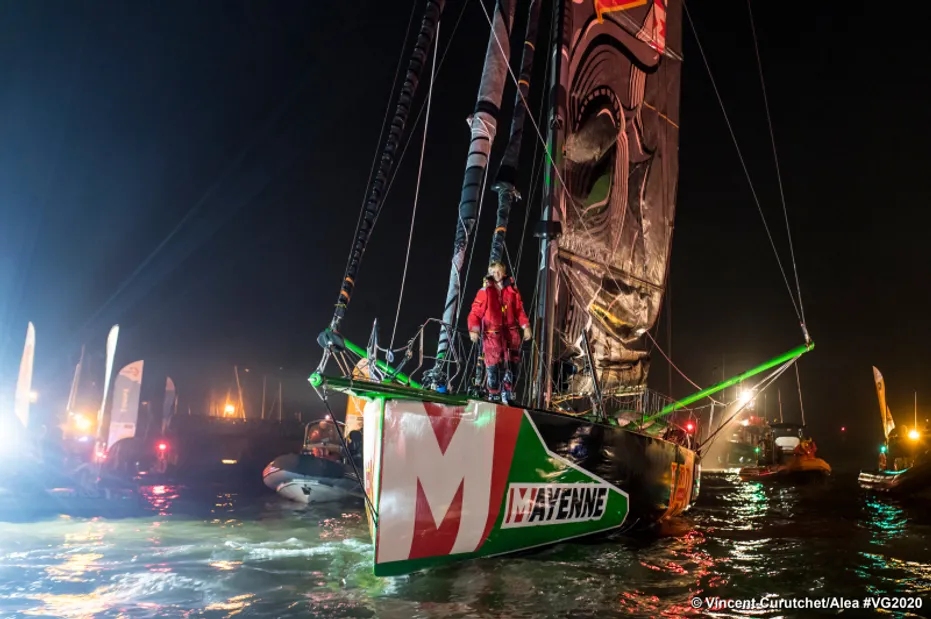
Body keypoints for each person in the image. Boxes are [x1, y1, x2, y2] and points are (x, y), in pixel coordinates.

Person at [468, 261, 532, 402]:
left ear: (503, 273)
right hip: (492, 335)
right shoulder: (485, 292)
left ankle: (508, 393)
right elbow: (475, 312)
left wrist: (525, 326)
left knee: (514, 366)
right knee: (493, 367)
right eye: (493, 272)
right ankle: (494, 393)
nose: (496, 274)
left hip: (510, 334)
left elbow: (519, 310)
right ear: (489, 274)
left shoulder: (512, 291)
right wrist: (474, 329)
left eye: (498, 271)